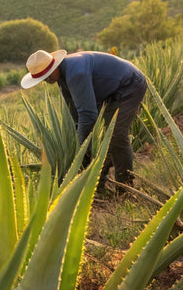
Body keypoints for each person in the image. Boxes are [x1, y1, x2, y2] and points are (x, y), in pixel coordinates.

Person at [21, 49, 147, 191]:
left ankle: (125, 188)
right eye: (43, 78)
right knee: (106, 137)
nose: (46, 80)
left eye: (47, 76)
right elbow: (75, 111)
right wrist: (79, 143)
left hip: (130, 84)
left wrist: (82, 150)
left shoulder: (76, 73)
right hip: (111, 91)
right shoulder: (62, 76)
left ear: (54, 66)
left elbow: (88, 114)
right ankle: (97, 184)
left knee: (116, 134)